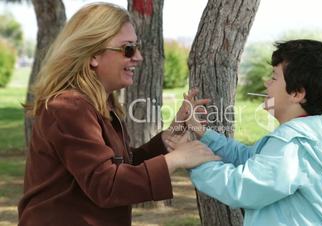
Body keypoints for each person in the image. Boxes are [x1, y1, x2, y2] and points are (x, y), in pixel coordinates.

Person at [18, 3, 219, 226]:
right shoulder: (69, 107)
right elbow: (106, 185)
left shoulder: (96, 104)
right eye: (128, 49)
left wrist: (168, 139)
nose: (139, 57)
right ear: (94, 54)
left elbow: (119, 167)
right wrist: (176, 158)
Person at [181, 39, 322, 225]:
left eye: (274, 77)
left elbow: (243, 187)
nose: (266, 82)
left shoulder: (292, 145)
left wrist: (194, 162)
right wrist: (203, 134)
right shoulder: (309, 135)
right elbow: (250, 158)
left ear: (297, 93)